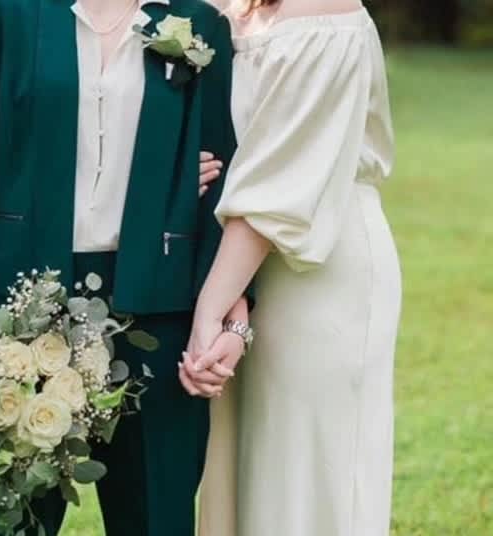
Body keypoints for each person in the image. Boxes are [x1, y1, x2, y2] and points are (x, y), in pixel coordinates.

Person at [0, 0, 247, 535]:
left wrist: (233, 317)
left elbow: (227, 182)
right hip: (24, 303)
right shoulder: (5, 12)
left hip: (158, 307)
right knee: (13, 522)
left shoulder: (200, 24)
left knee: (156, 518)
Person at [181, 1, 402, 535]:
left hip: (316, 267)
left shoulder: (326, 13)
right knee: (242, 475)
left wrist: (212, 308)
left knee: (304, 481)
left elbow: (277, 186)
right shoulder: (229, 10)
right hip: (240, 268)